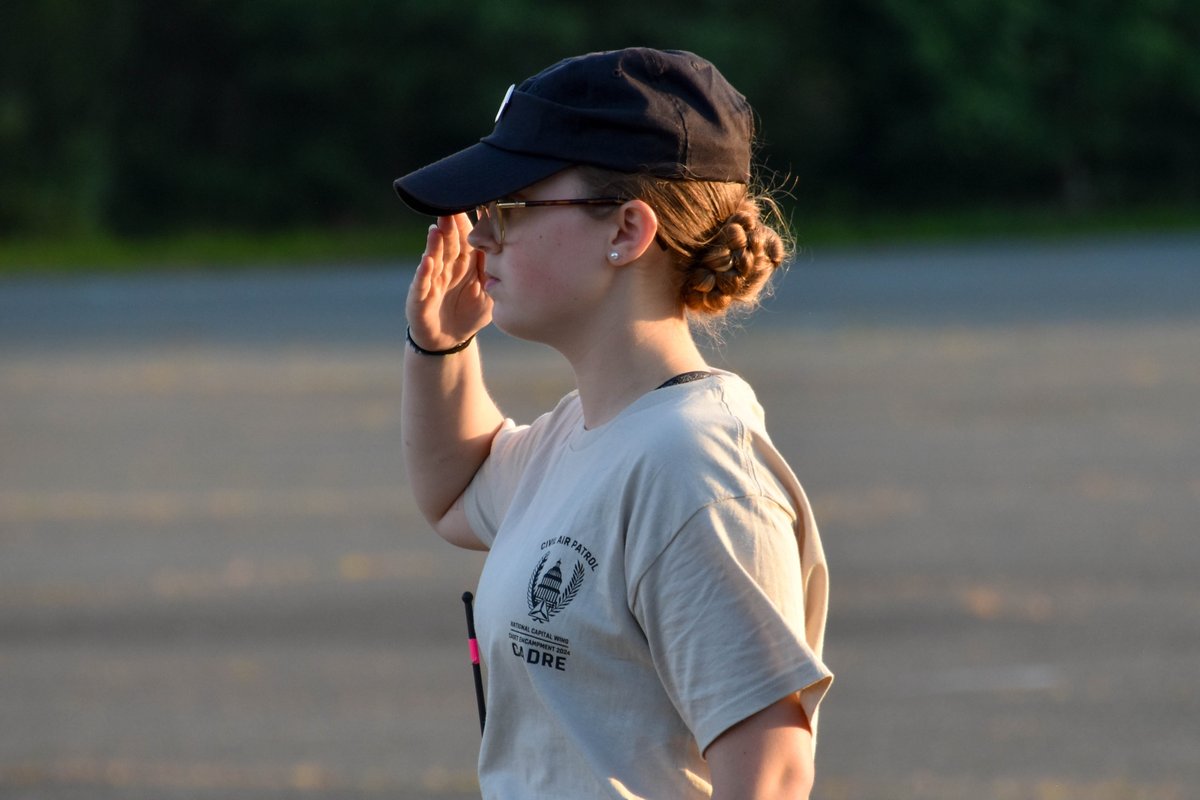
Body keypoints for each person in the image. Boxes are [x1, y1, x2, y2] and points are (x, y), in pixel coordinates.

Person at [395, 47, 832, 800]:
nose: (480, 236)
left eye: (511, 206)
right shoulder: (588, 433)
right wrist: (439, 346)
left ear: (626, 230)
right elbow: (456, 494)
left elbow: (771, 775)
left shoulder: (697, 468)